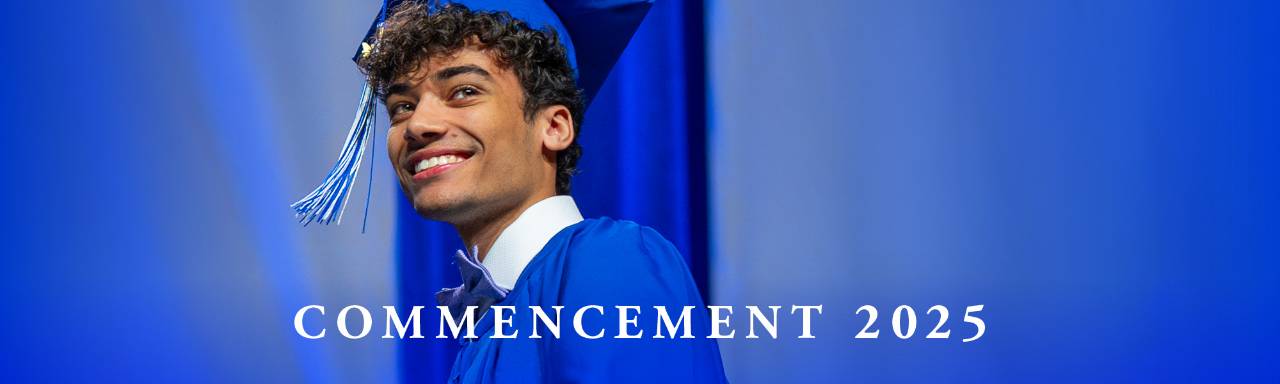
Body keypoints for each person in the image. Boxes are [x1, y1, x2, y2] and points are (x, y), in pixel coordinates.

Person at [295, 1, 727, 382]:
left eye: (463, 91)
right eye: (402, 107)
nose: (418, 125)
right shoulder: (488, 326)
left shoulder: (608, 260)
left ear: (554, 127)